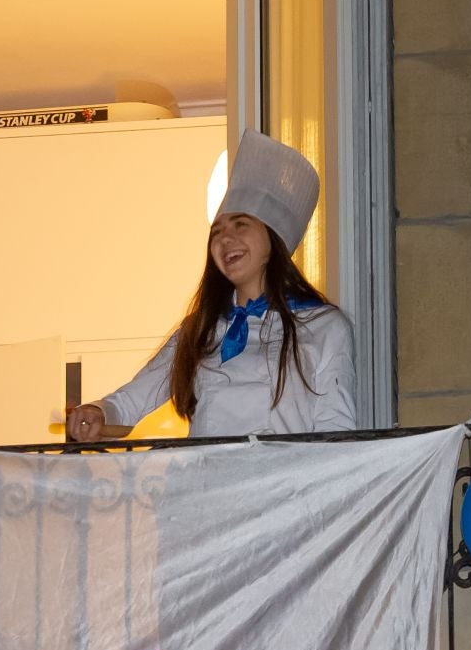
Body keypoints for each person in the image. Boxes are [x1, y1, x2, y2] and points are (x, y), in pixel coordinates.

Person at [67, 130, 356, 441]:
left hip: (284, 486)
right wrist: (98, 413)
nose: (225, 239)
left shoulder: (324, 326)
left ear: (275, 238)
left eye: (241, 225)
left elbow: (336, 429)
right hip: (208, 484)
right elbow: (131, 400)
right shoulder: (199, 328)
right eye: (217, 231)